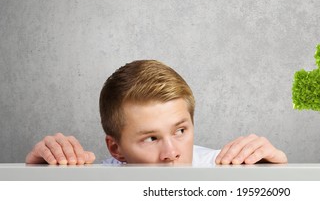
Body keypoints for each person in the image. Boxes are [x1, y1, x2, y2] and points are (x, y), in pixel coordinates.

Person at [25, 60, 287, 166]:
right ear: (116, 149)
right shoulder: (94, 184)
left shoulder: (227, 169)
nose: (172, 152)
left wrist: (279, 172)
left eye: (181, 131)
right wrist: (33, 176)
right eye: (151, 138)